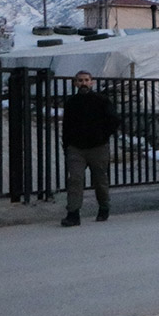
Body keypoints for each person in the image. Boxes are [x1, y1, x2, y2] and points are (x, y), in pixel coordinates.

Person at [61, 71, 121, 227]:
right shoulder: (71, 102)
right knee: (75, 179)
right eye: (80, 80)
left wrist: (103, 135)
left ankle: (104, 207)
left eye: (86, 80)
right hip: (76, 148)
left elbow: (114, 120)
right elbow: (66, 126)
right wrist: (67, 145)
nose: (83, 83)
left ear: (92, 82)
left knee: (100, 180)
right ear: (75, 83)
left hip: (98, 147)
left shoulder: (101, 101)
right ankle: (73, 214)